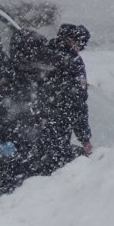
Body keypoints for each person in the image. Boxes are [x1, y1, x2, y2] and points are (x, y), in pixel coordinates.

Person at [0, 29, 54, 193]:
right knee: (15, 186)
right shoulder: (9, 76)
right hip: (16, 141)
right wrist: (3, 137)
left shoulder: (34, 75)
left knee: (25, 187)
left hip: (29, 141)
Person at [39, 23, 93, 175]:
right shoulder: (73, 62)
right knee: (56, 170)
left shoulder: (42, 54)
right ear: (72, 41)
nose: (80, 49)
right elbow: (78, 102)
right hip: (60, 124)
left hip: (32, 125)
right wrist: (85, 138)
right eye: (81, 44)